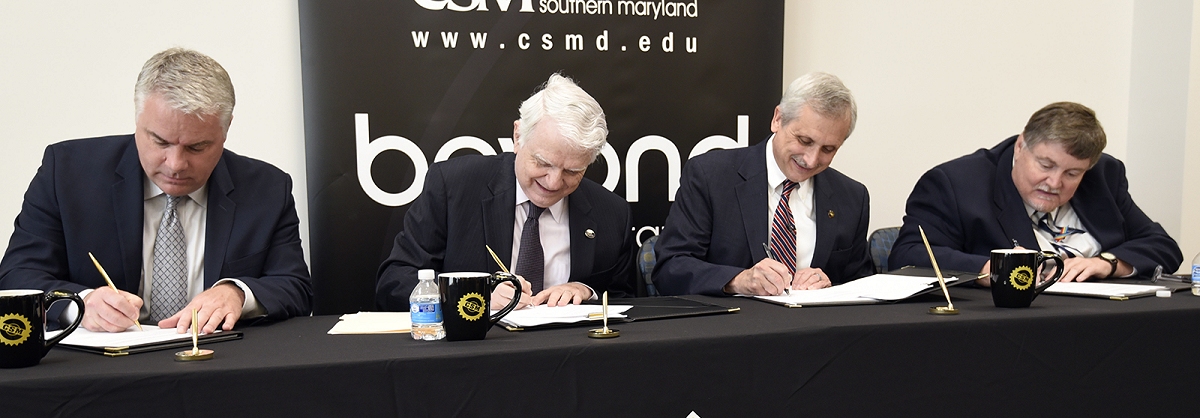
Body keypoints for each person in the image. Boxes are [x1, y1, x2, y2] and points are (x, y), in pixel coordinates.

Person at [0, 48, 312, 333]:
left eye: (197, 146)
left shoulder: (267, 189)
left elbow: (295, 287)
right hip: (98, 375)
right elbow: (17, 275)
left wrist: (237, 294)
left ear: (226, 129)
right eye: (160, 142)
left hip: (219, 369)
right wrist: (80, 304)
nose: (176, 164)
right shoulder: (67, 173)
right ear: (138, 121)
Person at [376, 73, 635, 311]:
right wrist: (474, 299)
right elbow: (395, 281)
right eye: (543, 163)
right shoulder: (453, 186)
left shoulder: (612, 214)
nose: (554, 182)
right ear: (518, 136)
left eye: (573, 171)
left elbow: (625, 299)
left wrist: (586, 292)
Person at [889, 102, 1183, 283]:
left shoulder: (1104, 176)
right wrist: (989, 269)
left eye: (1072, 174)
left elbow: (1162, 246)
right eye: (1045, 165)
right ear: (1020, 146)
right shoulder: (956, 183)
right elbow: (907, 255)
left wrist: (1107, 263)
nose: (1054, 183)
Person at [653, 72, 874, 296]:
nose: (811, 160)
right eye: (804, 141)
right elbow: (670, 268)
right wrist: (737, 281)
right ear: (777, 119)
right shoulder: (710, 177)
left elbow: (863, 287)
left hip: (815, 329)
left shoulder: (852, 197)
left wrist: (830, 286)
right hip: (733, 327)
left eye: (828, 149)